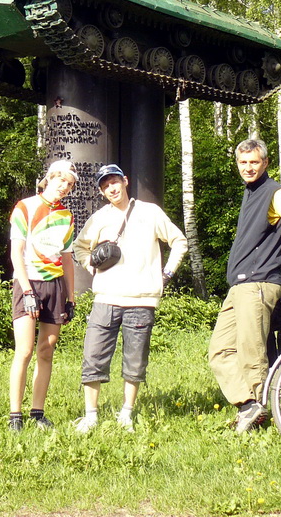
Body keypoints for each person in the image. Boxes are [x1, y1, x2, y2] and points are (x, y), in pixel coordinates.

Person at [208, 138, 281, 432]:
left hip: (258, 284)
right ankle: (249, 406)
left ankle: (258, 418)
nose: (248, 167)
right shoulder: (251, 192)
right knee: (219, 351)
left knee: (252, 354)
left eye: (254, 162)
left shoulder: (274, 193)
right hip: (239, 287)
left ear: (265, 163)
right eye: (243, 162)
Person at [72, 164, 188, 433]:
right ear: (101, 192)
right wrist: (90, 266)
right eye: (105, 186)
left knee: (135, 361)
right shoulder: (99, 218)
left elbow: (179, 241)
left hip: (142, 299)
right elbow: (79, 246)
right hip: (106, 298)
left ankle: (126, 413)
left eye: (114, 182)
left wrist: (167, 273)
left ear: (125, 181)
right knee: (93, 357)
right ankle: (91, 416)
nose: (111, 188)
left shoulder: (150, 212)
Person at [8, 160, 78, 432]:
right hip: (28, 283)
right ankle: (15, 415)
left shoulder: (67, 216)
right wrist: (27, 291)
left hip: (55, 285)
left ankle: (37, 413)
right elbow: (17, 252)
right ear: (49, 178)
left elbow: (67, 258)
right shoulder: (25, 207)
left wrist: (71, 298)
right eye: (61, 180)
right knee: (24, 350)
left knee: (46, 350)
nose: (65, 187)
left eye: (69, 184)